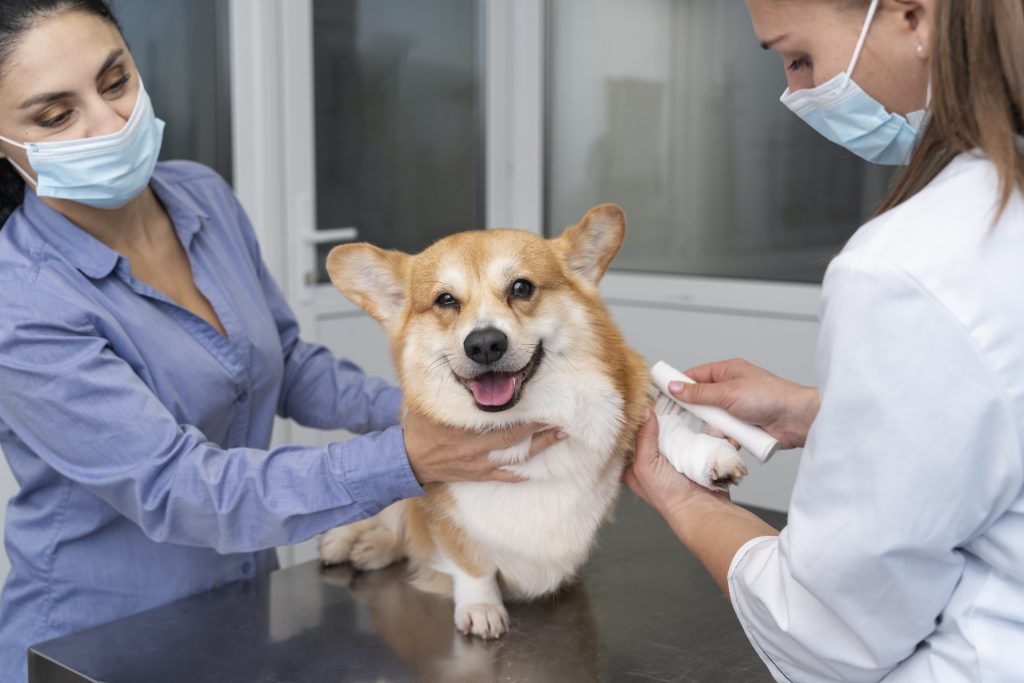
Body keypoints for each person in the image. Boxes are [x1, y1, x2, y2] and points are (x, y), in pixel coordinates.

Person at [0, 2, 560, 680]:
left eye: (115, 80)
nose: (110, 122)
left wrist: (440, 414)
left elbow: (286, 361)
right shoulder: (21, 301)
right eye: (56, 116)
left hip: (238, 609)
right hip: (90, 647)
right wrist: (406, 457)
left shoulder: (200, 198)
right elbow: (182, 489)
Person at [626, 0, 1024, 680]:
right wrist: (817, 411)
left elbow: (826, 631)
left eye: (801, 58)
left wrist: (682, 498)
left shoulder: (911, 266)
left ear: (912, 16)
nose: (799, 95)